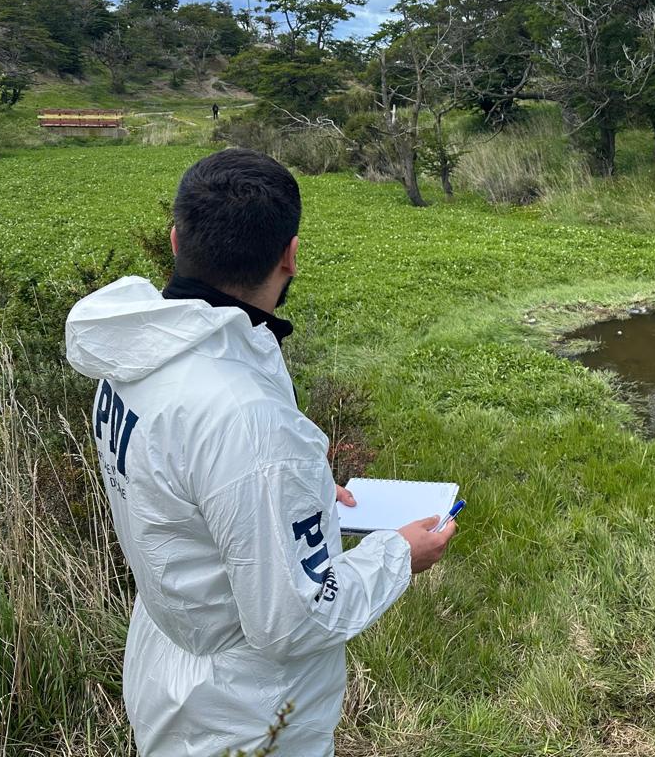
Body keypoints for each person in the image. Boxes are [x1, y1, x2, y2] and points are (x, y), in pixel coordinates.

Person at [65, 148, 455, 756]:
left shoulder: (134, 354)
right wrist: (399, 555)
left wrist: (292, 493)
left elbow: (184, 485)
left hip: (168, 660)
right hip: (246, 711)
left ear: (175, 239)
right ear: (290, 255)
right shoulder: (246, 419)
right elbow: (293, 621)